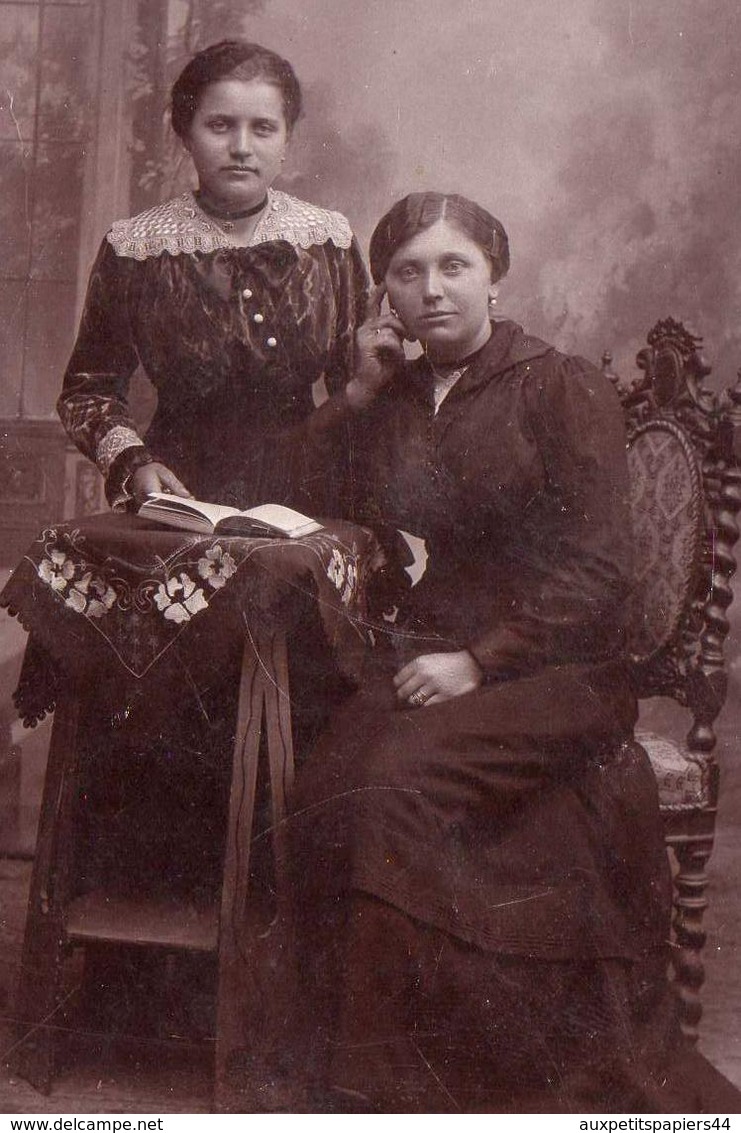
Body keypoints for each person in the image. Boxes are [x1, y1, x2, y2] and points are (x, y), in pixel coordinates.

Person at [278, 192, 740, 1113]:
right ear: (385, 297)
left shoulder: (558, 384)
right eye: (407, 272)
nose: (431, 290)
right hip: (432, 649)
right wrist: (359, 395)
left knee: (399, 779)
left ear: (496, 275)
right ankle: (374, 1059)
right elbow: (301, 495)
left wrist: (481, 662)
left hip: (557, 666)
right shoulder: (399, 395)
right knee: (326, 777)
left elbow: (600, 566)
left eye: (453, 266)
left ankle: (407, 1076)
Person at [58, 39, 367, 517]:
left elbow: (361, 383)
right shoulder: (137, 247)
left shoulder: (328, 243)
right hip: (179, 492)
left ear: (287, 140)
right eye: (220, 125)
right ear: (186, 134)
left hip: (309, 493)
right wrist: (133, 463)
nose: (241, 148)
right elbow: (87, 390)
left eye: (263, 128)